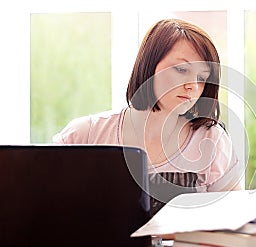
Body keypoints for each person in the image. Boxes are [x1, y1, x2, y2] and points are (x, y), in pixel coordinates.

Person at [53, 18, 242, 214]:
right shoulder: (85, 135)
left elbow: (233, 220)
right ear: (149, 65)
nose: (193, 86)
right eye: (181, 69)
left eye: (202, 78)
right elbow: (45, 206)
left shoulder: (211, 140)